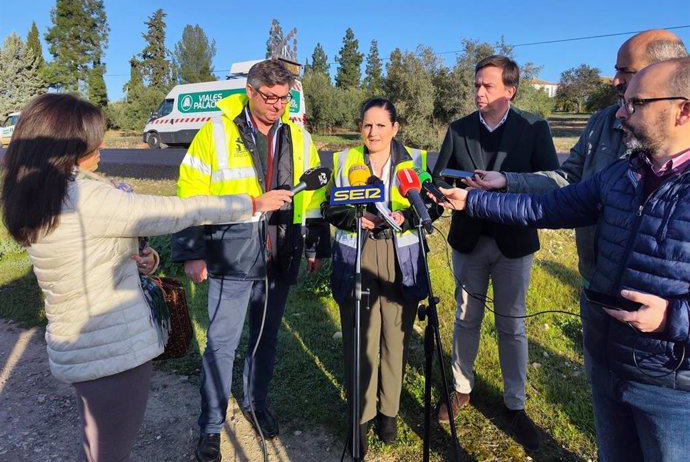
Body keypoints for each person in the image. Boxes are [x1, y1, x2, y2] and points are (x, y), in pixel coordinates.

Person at [0, 93, 291, 462]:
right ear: (70, 146)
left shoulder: (41, 191)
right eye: (94, 138)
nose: (103, 144)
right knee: (109, 451)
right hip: (112, 349)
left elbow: (88, 251)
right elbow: (178, 210)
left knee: (95, 444)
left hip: (79, 345)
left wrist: (140, 259)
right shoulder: (86, 196)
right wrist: (252, 203)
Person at [434, 57, 690, 462]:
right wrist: (474, 200)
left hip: (673, 390)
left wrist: (673, 317)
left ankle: (513, 402)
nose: (621, 111)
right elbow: (546, 208)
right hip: (610, 364)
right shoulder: (623, 175)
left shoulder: (534, 127)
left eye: (635, 103)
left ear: (683, 110)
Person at [171, 58, 330, 462]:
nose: (279, 105)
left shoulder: (299, 136)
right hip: (230, 252)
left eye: (285, 97)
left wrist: (312, 244)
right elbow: (190, 194)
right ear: (251, 91)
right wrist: (192, 251)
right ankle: (210, 425)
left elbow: (312, 196)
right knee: (221, 345)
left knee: (265, 339)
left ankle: (256, 404)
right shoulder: (216, 133)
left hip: (281, 252)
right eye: (271, 97)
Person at [464, 30, 688, 286]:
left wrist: (673, 313)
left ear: (661, 71)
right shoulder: (603, 123)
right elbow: (561, 188)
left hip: (655, 304)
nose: (615, 81)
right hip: (595, 278)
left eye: (625, 71)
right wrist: (502, 183)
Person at [432, 55, 560, 450]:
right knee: (465, 317)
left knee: (512, 323)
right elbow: (438, 177)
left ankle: (515, 404)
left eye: (487, 86)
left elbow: (552, 181)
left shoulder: (533, 128)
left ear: (510, 90)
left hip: (514, 242)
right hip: (469, 241)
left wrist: (503, 186)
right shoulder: (459, 129)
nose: (479, 92)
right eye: (475, 85)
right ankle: (461, 388)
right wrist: (447, 191)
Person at [322, 97, 440, 455]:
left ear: (395, 128)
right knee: (361, 338)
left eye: (380, 125)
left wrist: (414, 215)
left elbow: (432, 202)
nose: (372, 132)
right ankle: (361, 416)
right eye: (367, 125)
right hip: (357, 253)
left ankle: (388, 412)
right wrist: (356, 219)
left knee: (395, 337)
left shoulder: (415, 161)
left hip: (400, 256)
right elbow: (330, 206)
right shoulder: (345, 161)